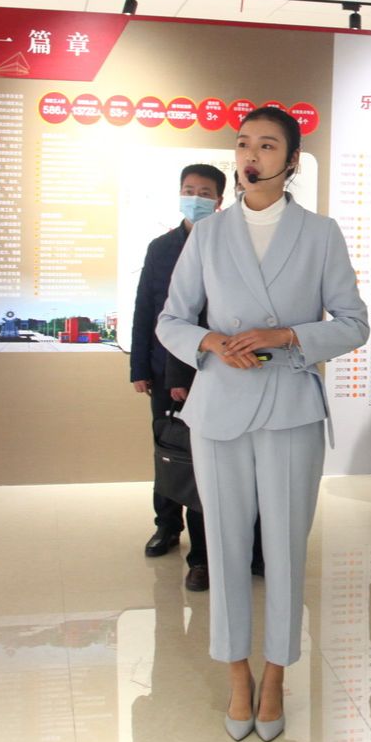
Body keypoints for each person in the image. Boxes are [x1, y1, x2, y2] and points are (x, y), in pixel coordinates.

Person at [157, 106, 370, 742]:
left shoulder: (320, 233)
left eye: (268, 145)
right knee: (223, 548)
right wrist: (210, 343)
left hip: (290, 407)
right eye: (244, 143)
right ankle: (236, 675)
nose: (252, 155)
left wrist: (287, 335)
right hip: (219, 407)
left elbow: (354, 323)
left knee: (284, 548)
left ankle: (276, 674)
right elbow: (171, 320)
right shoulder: (208, 234)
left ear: (292, 160)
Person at [131, 164, 225, 584]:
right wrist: (138, 367)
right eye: (189, 190)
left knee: (201, 458)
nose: (196, 198)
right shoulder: (161, 247)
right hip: (160, 365)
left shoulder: (225, 244)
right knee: (168, 449)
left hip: (210, 367)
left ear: (219, 200)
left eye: (204, 193)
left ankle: (203, 552)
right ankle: (167, 525)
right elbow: (145, 309)